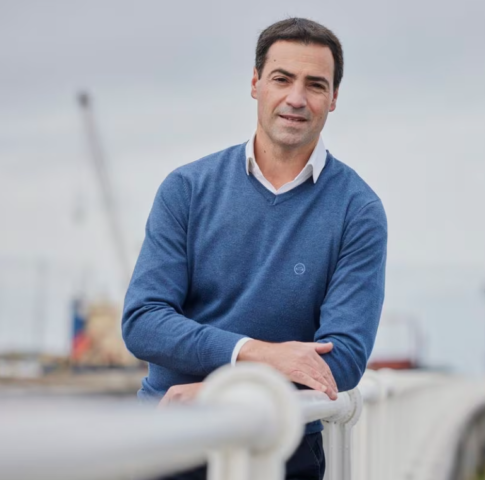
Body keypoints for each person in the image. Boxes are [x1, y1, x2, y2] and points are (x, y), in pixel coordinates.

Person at [122, 17, 387, 480]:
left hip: (283, 448)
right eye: (282, 79)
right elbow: (143, 322)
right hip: (170, 437)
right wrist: (258, 354)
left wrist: (223, 395)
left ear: (334, 98)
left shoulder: (357, 210)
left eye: (315, 85)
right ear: (255, 84)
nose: (296, 98)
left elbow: (341, 359)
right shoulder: (187, 188)